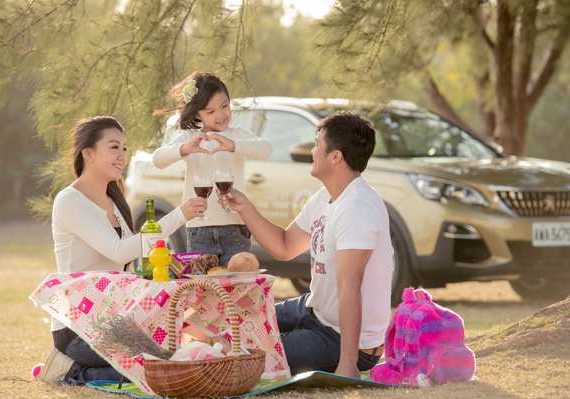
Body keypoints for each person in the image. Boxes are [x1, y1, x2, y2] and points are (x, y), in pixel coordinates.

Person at [218, 111, 394, 378]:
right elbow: (285, 246)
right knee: (236, 320)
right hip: (315, 309)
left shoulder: (357, 207)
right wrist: (244, 206)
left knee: (243, 353)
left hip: (346, 341)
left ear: (335, 156)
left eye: (316, 144)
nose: (312, 151)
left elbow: (350, 286)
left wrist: (348, 364)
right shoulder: (325, 197)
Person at [37, 116, 207, 385]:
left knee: (172, 358)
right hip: (79, 329)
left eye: (124, 148)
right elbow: (119, 251)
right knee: (153, 371)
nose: (122, 155)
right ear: (88, 153)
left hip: (114, 321)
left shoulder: (114, 200)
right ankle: (69, 371)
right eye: (114, 147)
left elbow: (130, 264)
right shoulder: (70, 200)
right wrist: (179, 215)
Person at [152, 71, 272, 266]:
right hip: (199, 227)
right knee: (204, 288)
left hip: (236, 226)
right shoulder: (189, 137)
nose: (221, 114)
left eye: (225, 106)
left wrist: (233, 145)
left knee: (236, 284)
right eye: (210, 111)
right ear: (197, 113)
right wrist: (183, 149)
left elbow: (266, 149)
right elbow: (158, 159)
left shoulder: (236, 135)